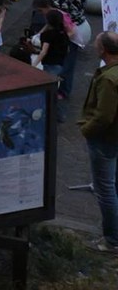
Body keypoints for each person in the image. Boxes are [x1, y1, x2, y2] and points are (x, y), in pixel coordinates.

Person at [78, 30, 118, 253]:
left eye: (96, 43)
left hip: (104, 139)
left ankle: (112, 240)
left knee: (105, 189)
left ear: (103, 49)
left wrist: (86, 129)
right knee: (113, 184)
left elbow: (104, 116)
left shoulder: (108, 78)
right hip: (114, 137)